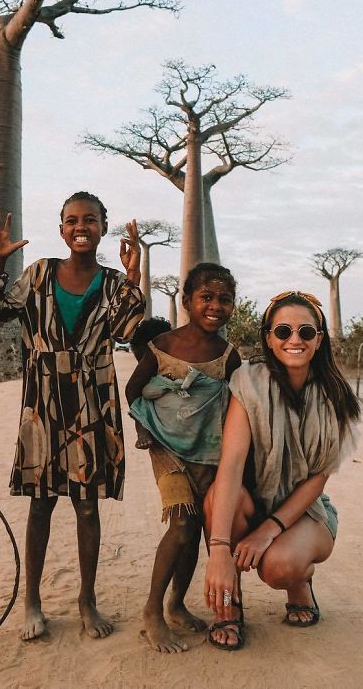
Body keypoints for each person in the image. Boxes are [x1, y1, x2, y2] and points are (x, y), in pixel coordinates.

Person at [0, 192, 145, 641]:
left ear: (102, 227)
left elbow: (128, 332)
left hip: (93, 402)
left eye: (90, 219)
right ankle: (32, 600)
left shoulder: (113, 282)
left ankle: (86, 600)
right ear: (60, 229)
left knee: (87, 504)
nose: (81, 226)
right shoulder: (38, 274)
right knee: (41, 503)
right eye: (72, 219)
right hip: (44, 403)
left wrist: (133, 277)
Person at [203, 290, 361, 651]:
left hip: (305, 510)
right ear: (269, 339)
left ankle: (299, 585)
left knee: (279, 567)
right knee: (217, 496)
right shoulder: (248, 383)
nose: (294, 340)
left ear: (319, 340)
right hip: (252, 499)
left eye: (306, 332)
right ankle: (229, 606)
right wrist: (219, 551)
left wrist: (268, 532)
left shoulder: (336, 396)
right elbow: (230, 465)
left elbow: (318, 478)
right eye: (283, 332)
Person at [126, 264, 241, 653]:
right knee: (180, 525)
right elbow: (133, 391)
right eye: (206, 297)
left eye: (225, 299)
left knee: (194, 532)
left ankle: (177, 604)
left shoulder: (228, 356)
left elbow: (238, 405)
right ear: (188, 299)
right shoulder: (163, 345)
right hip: (167, 450)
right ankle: (152, 612)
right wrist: (145, 429)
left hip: (208, 454)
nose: (215, 306)